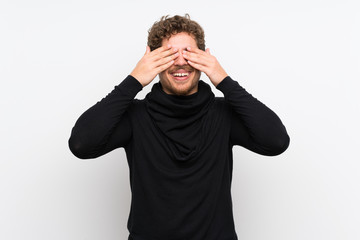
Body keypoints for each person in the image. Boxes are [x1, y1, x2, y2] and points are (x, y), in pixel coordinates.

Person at [68, 14, 290, 240]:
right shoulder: (136, 116)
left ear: (204, 58)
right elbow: (81, 144)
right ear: (153, 60)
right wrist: (134, 80)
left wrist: (224, 80)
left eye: (189, 53)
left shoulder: (224, 114)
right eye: (170, 54)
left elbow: (276, 141)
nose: (181, 62)